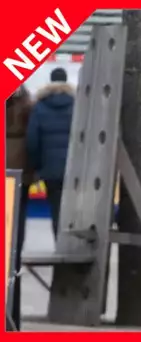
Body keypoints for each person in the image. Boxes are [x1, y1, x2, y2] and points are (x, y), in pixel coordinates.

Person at [26, 67, 75, 239]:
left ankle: (59, 245)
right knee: (72, 209)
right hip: (73, 168)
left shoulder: (40, 105)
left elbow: (32, 139)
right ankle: (71, 248)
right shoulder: (77, 103)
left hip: (50, 168)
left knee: (56, 208)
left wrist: (38, 166)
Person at [6, 85, 33, 331]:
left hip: (13, 179)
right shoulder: (28, 104)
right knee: (12, 251)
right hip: (18, 180)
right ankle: (12, 315)